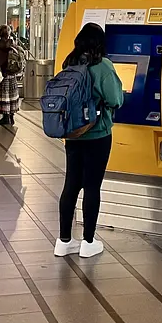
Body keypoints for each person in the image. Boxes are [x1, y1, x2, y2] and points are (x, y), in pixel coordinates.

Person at [55, 23, 124, 260]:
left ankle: (63, 241)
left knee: (71, 184)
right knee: (92, 186)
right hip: (97, 133)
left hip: (73, 134)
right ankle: (88, 242)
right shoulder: (102, 66)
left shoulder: (69, 63)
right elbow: (115, 99)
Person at [0, 25, 21, 127]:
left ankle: (5, 117)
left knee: (4, 96)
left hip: (3, 75)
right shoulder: (13, 44)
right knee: (12, 96)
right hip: (12, 75)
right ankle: (11, 116)